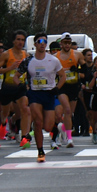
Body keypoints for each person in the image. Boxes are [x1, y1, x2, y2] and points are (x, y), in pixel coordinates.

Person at [24, 35, 63, 163]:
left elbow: (63, 76)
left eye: (45, 42)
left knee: (47, 127)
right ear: (35, 44)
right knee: (38, 122)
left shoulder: (53, 60)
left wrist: (57, 88)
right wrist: (23, 87)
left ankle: (54, 129)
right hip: (35, 93)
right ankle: (40, 151)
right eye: (40, 41)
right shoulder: (28, 60)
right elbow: (16, 76)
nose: (42, 44)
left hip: (49, 93)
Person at [0, 31, 31, 147]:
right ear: (14, 41)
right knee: (4, 113)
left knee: (24, 109)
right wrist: (10, 68)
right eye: (18, 39)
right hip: (7, 87)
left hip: (20, 87)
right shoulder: (6, 54)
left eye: (22, 40)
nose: (20, 42)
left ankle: (24, 136)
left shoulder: (26, 55)